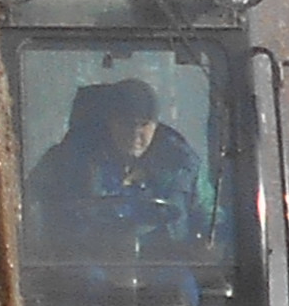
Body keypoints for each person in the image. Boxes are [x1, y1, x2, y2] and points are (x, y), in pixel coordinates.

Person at [24, 77, 214, 251]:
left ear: (156, 125)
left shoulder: (182, 166)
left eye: (144, 124)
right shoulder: (67, 161)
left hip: (165, 262)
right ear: (110, 123)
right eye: (127, 124)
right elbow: (26, 201)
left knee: (185, 287)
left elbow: (211, 217)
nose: (135, 133)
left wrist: (211, 241)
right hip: (84, 262)